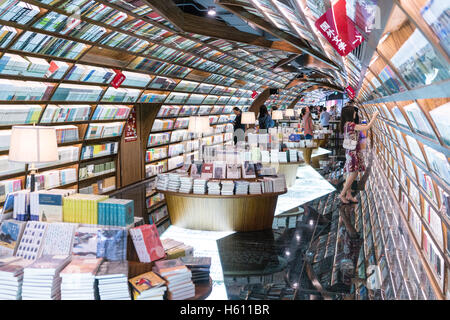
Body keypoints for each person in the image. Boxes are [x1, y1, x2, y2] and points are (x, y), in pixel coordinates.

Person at [338, 105, 379, 204]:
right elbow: (367, 127)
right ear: (350, 114)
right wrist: (374, 116)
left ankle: (348, 194)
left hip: (350, 150)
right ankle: (342, 194)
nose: (355, 113)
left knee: (352, 172)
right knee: (353, 172)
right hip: (353, 152)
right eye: (353, 112)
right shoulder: (351, 125)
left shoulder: (346, 124)